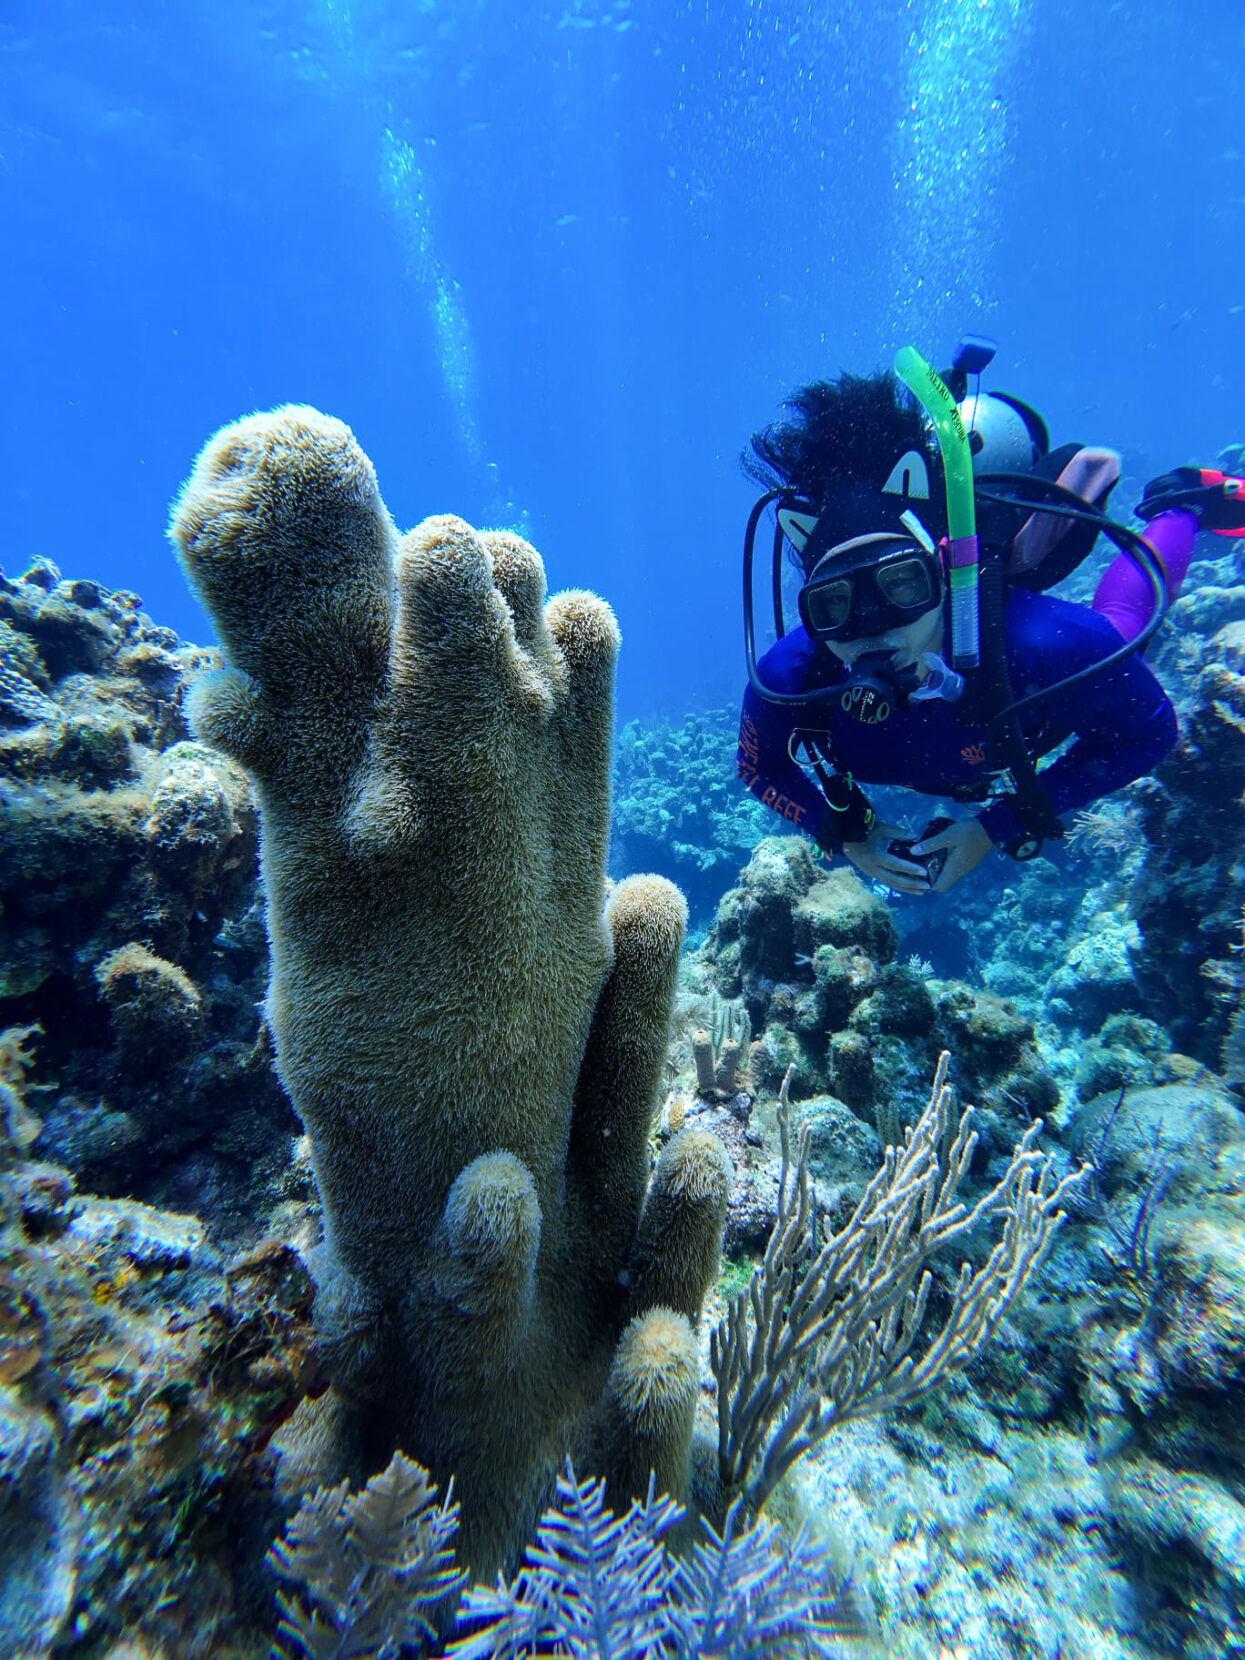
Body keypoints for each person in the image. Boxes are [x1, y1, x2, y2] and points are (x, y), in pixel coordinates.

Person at [737, 348, 1245, 895]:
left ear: (943, 572)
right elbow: (759, 769)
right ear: (811, 616)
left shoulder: (1048, 646)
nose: (873, 628)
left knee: (1121, 625)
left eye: (901, 584)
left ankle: (1181, 504)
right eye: (834, 605)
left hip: (1028, 670)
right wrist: (845, 835)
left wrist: (998, 824)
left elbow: (1148, 733)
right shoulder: (790, 681)